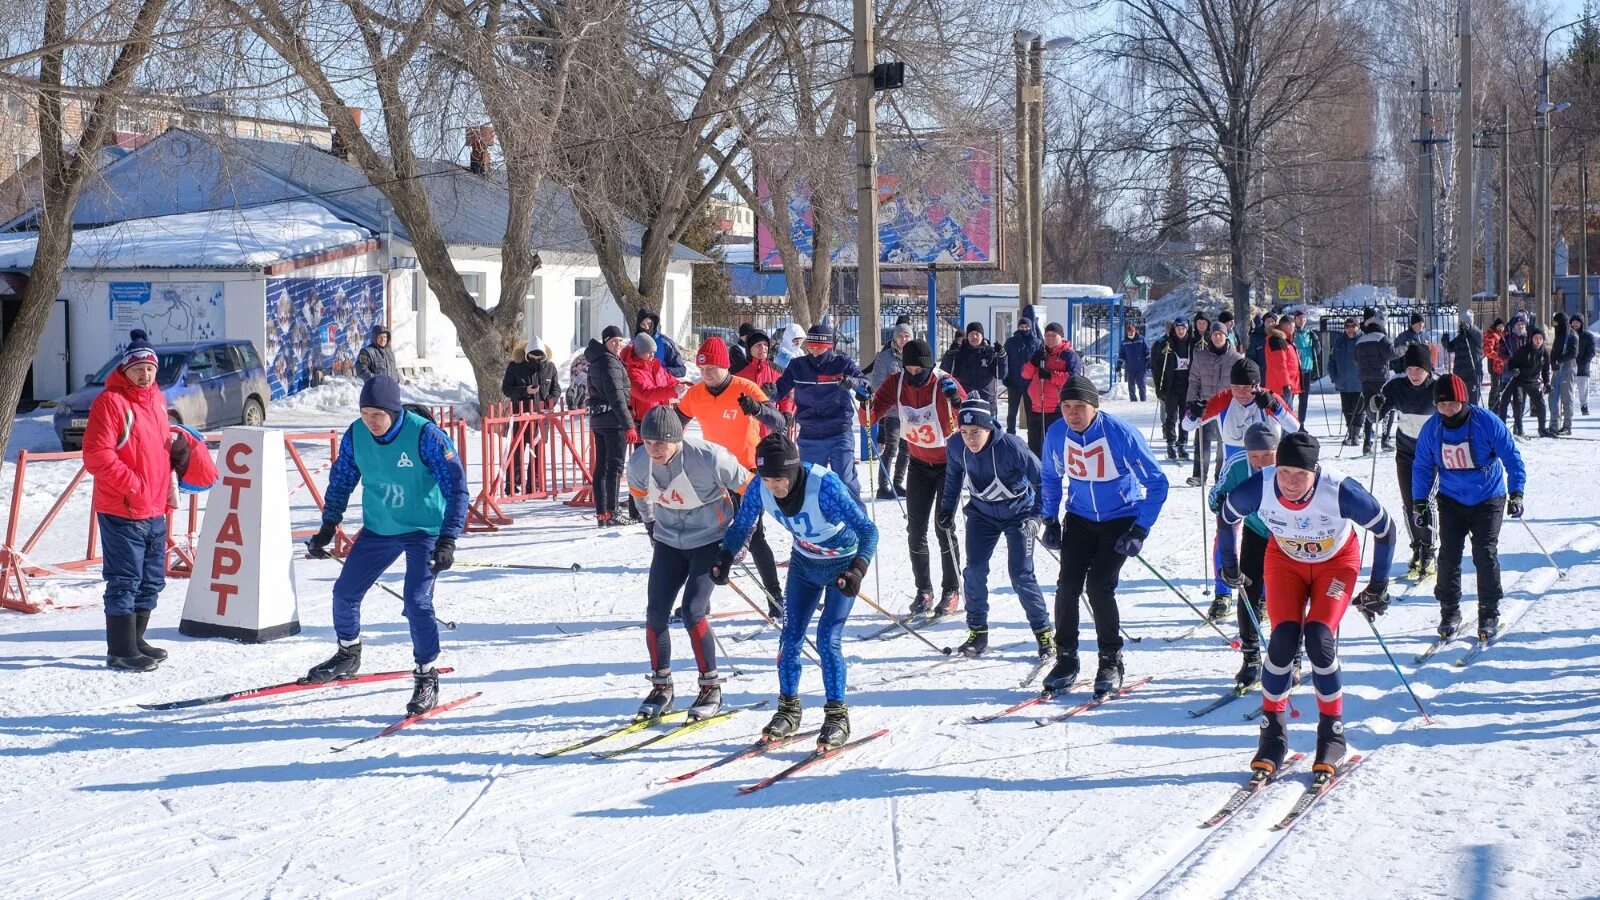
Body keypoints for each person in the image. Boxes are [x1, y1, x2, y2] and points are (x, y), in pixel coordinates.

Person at [1217, 431, 1397, 778]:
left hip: (1336, 564)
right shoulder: (1262, 485)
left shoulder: (1340, 490)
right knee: (1283, 640)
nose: (1291, 483)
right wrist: (1229, 563)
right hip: (1285, 562)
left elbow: (1385, 529)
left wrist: (1378, 585)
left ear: (1316, 471)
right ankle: (1272, 735)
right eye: (1284, 473)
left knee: (1318, 637)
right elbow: (1227, 517)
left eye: (1301, 475)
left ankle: (1332, 733)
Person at [304, 375, 470, 715]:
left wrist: (448, 538)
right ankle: (348, 653)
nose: (370, 421)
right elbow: (342, 479)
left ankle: (426, 674)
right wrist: (328, 524)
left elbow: (457, 488)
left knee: (416, 601)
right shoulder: (356, 434)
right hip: (380, 527)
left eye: (377, 414)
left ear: (393, 411)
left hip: (424, 529)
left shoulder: (425, 436)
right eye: (364, 413)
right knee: (345, 592)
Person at [711, 433, 878, 750]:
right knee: (790, 637)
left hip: (842, 565)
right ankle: (788, 710)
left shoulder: (823, 485)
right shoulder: (760, 487)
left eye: (779, 479)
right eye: (767, 479)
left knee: (828, 638)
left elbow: (868, 530)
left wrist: (858, 568)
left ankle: (837, 716)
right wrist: (724, 557)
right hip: (804, 565)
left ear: (794, 471)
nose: (774, 486)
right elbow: (743, 524)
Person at [1039, 376, 1170, 697]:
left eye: (1079, 407)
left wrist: (1140, 529)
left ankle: (1111, 659)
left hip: (1120, 519)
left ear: (1094, 406)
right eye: (1066, 407)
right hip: (1080, 519)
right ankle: (1066, 658)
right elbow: (1050, 477)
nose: (1072, 413)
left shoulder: (1119, 434)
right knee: (1067, 585)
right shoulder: (1057, 434)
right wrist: (1050, 519)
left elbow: (1157, 483)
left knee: (1099, 585)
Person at [626, 407, 753, 721]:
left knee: (693, 609)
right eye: (648, 442)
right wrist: (651, 526)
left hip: (710, 539)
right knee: (655, 612)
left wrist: (741, 538)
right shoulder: (640, 462)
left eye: (660, 443)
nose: (653, 449)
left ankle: (710, 687)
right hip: (670, 541)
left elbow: (751, 490)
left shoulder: (709, 458)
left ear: (677, 439)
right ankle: (661, 687)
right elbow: (639, 495)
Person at [84, 330, 179, 672]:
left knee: (152, 580)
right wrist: (134, 485)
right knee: (125, 580)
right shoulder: (111, 402)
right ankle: (120, 651)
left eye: (150, 367)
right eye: (138, 367)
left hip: (155, 508)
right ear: (125, 370)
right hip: (122, 508)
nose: (145, 374)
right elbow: (96, 454)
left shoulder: (156, 400)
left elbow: (160, 448)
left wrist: (177, 464)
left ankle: (136, 641)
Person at [675, 337, 789, 615]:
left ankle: (775, 599)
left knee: (755, 536)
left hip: (746, 474)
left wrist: (757, 409)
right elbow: (675, 422)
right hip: (712, 475)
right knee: (705, 537)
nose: (707, 375)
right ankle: (700, 600)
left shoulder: (744, 387)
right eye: (702, 370)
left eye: (712, 369)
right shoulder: (696, 394)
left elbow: (779, 422)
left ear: (725, 366)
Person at [936, 398, 1055, 658]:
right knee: (974, 570)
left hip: (1019, 515)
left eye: (976, 432)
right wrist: (946, 509)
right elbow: (954, 476)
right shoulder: (956, 445)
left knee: (1020, 573)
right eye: (965, 432)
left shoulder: (1011, 446)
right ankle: (977, 631)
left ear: (989, 428)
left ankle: (1043, 632)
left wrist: (1038, 516)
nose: (970, 439)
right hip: (982, 515)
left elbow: (1044, 481)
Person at [1412, 373, 1525, 643]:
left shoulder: (1486, 422)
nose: (1447, 409)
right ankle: (1449, 610)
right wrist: (1419, 501)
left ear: (1463, 400)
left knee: (1484, 554)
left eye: (1452, 403)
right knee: (1449, 556)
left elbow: (1512, 457)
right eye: (1441, 405)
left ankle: (1489, 610)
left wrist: (1517, 492)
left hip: (1488, 497)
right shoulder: (1432, 429)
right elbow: (1422, 466)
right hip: (1451, 499)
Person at [1184, 357, 1302, 606]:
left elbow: (1296, 426)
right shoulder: (1225, 398)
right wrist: (1193, 412)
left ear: (1256, 385)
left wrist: (1275, 407)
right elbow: (1188, 425)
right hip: (1234, 474)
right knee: (1226, 531)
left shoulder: (1267, 398)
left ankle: (1265, 595)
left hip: (1269, 475)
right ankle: (1223, 592)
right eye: (1236, 387)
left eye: (1246, 388)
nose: (1240, 393)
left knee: (1269, 535)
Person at [870, 339, 966, 617]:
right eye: (908, 368)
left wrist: (956, 402)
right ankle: (924, 590)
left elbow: (970, 418)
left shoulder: (944, 382)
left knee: (943, 527)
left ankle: (952, 589)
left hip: (949, 465)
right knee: (916, 530)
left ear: (929, 366)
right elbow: (871, 415)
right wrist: (864, 402)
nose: (912, 374)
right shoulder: (896, 382)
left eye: (918, 369)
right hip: (919, 464)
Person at [1208, 422, 1281, 689]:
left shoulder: (1289, 462)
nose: (1262, 462)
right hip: (1256, 532)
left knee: (1285, 597)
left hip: (1288, 538)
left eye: (1268, 454)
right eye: (1255, 456)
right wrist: (1220, 501)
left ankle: (1291, 658)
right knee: (1247, 591)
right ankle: (1251, 658)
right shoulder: (1238, 462)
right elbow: (1216, 493)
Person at [772, 323, 869, 501]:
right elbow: (778, 392)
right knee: (810, 485)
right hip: (810, 435)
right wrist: (769, 391)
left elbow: (867, 389)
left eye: (820, 349)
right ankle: (819, 526)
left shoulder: (842, 363)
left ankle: (859, 524)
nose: (815, 353)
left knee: (845, 481)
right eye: (811, 347)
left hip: (839, 432)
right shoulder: (797, 366)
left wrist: (853, 383)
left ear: (829, 347)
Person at [1371, 343, 1439, 579]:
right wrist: (1375, 404)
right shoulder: (1396, 387)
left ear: (1428, 369)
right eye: (1410, 369)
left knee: (1424, 502)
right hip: (1406, 452)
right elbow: (1375, 414)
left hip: (1431, 456)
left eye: (1419, 369)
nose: (1414, 374)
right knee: (1409, 502)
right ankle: (1417, 548)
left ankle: (1430, 550)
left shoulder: (1438, 388)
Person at [585, 325, 635, 526]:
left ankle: (602, 514)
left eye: (620, 341)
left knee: (603, 466)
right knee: (614, 467)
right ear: (605, 342)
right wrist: (628, 424)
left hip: (600, 420)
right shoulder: (610, 363)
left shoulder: (597, 361)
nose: (618, 345)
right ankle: (613, 512)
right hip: (614, 422)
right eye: (614, 341)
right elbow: (618, 398)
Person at [1184, 324, 1244, 486]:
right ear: (1211, 336)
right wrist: (1191, 401)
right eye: (1215, 334)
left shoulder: (1236, 358)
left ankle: (1220, 474)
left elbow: (1241, 384)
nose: (1218, 337)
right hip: (1206, 406)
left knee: (1223, 443)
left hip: (1227, 407)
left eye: (1221, 334)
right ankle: (1199, 475)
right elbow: (1194, 380)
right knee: (1202, 442)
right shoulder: (1200, 356)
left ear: (1226, 336)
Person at [501, 337, 562, 494]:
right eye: (533, 356)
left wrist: (551, 400)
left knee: (538, 452)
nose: (536, 359)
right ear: (526, 355)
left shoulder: (550, 367)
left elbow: (556, 388)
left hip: (541, 418)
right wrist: (524, 390)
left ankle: (534, 485)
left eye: (539, 356)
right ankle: (513, 485)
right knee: (517, 451)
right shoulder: (515, 367)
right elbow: (506, 389)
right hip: (520, 416)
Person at [866, 322, 913, 499]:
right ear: (894, 338)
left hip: (911, 412)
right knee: (891, 448)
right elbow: (878, 383)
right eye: (900, 336)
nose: (903, 339)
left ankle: (898, 483)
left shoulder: (915, 356)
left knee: (906, 449)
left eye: (907, 336)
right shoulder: (885, 358)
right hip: (893, 411)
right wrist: (896, 396)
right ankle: (883, 486)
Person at [1022, 322, 1081, 459]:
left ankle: (1054, 471)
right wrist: (1033, 363)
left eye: (1053, 335)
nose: (1049, 338)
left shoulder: (1069, 356)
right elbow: (1025, 374)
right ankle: (1036, 472)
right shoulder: (1040, 353)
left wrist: (1051, 375)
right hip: (1036, 406)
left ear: (1061, 336)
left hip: (1055, 408)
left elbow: (1074, 378)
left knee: (1054, 443)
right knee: (1034, 444)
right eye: (1047, 335)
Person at [1151, 319, 1195, 460]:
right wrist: (1159, 387)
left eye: (1183, 328)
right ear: (1174, 329)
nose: (1181, 331)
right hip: (1171, 385)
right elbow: (1156, 367)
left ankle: (1182, 444)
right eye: (1178, 328)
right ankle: (1170, 444)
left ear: (1187, 329)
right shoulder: (1166, 343)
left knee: (1185, 416)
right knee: (1171, 416)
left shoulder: (1191, 343)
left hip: (1187, 385)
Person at [1352, 311, 1396, 453]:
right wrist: (1405, 349)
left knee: (1369, 408)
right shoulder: (1382, 338)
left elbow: (1355, 358)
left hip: (1365, 378)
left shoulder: (1360, 339)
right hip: (1381, 377)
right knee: (1387, 407)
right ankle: (1385, 439)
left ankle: (1367, 443)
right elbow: (1391, 353)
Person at [941, 321, 1007, 414]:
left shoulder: (990, 352)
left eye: (977, 334)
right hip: (963, 399)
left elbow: (1001, 374)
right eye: (971, 334)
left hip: (986, 401)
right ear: (967, 336)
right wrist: (949, 355)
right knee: (964, 428)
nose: (974, 337)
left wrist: (1002, 356)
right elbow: (945, 372)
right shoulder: (959, 352)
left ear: (982, 336)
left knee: (987, 428)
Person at [1499, 327, 1552, 437]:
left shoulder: (1544, 352)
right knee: (1519, 403)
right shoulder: (1523, 350)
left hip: (1533, 381)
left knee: (1541, 404)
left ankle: (1542, 429)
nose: (1538, 341)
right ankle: (1519, 428)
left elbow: (1546, 370)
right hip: (1519, 380)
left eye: (1540, 338)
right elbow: (1511, 364)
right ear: (1531, 339)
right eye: (1536, 338)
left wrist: (1547, 383)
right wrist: (1514, 370)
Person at [1327, 316, 1364, 445]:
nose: (1350, 330)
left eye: (1352, 327)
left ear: (1357, 327)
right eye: (1347, 327)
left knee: (1359, 411)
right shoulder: (1339, 341)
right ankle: (1350, 433)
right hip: (1343, 383)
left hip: (1359, 383)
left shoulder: (1363, 340)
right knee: (1347, 410)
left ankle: (1356, 435)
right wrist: (1334, 378)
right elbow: (1331, 362)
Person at [1002, 316, 1041, 435]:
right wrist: (1006, 377)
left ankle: (1032, 436)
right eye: (1021, 326)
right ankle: (1010, 434)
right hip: (1014, 382)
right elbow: (1005, 360)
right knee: (1012, 411)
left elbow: (1039, 363)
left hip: (1030, 384)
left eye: (1026, 326)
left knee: (1031, 411)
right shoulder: (1011, 342)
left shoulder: (1036, 342)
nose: (1024, 329)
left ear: (1030, 327)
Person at [1494, 316, 1530, 426]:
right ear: (1514, 326)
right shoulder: (1507, 338)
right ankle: (1502, 424)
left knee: (1520, 401)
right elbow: (1500, 353)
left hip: (1522, 374)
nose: (1520, 326)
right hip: (1508, 374)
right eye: (1518, 324)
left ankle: (1518, 426)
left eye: (1522, 324)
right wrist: (1510, 361)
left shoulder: (1527, 339)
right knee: (1505, 400)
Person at [1447, 310, 1484, 407]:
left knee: (1472, 401)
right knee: (1461, 399)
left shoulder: (1476, 334)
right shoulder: (1460, 337)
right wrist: (1445, 341)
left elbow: (1480, 339)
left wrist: (1470, 328)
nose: (1462, 325)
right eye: (1461, 323)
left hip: (1473, 373)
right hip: (1460, 373)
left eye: (1465, 323)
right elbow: (1450, 348)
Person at [634, 308, 686, 378]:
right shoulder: (633, 343)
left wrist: (661, 371)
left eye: (649, 324)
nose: (646, 328)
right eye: (643, 324)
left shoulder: (665, 343)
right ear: (638, 325)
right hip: (641, 384)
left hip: (662, 385)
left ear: (654, 323)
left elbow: (681, 370)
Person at [1264, 317, 1302, 410]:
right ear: (1288, 326)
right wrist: (1285, 384)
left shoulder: (1285, 339)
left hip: (1285, 384)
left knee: (1286, 415)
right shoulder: (1277, 340)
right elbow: (1280, 365)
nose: (1294, 329)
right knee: (1284, 416)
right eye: (1293, 327)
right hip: (1280, 386)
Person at [1549, 315, 1578, 435]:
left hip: (1567, 367)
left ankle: (1567, 425)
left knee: (1566, 396)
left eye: (1556, 322)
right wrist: (1553, 362)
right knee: (1553, 395)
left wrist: (1561, 359)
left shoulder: (1571, 335)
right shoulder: (1558, 332)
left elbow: (1573, 353)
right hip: (1556, 368)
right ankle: (1554, 423)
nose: (1554, 325)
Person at [1291, 310, 1321, 423]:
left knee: (1304, 399)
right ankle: (1291, 422)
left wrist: (1316, 340)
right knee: (1291, 398)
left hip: (1307, 369)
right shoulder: (1292, 333)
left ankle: (1301, 422)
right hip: (1294, 371)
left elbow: (1318, 352)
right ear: (1295, 319)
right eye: (1299, 318)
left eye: (1303, 318)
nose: (1302, 320)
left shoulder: (1309, 334)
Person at [1117, 323, 1151, 402]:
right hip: (1130, 367)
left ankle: (1143, 400)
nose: (1130, 334)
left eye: (1132, 332)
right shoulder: (1124, 343)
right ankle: (1133, 401)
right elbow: (1121, 355)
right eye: (1129, 333)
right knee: (1131, 386)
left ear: (1135, 332)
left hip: (1141, 367)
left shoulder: (1141, 339)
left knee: (1141, 384)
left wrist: (1149, 362)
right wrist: (1119, 365)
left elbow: (1147, 351)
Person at [1483, 318, 1508, 412]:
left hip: (1503, 366)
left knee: (1500, 388)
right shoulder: (1492, 335)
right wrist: (1499, 356)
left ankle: (1498, 408)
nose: (1501, 328)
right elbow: (1488, 351)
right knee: (1495, 388)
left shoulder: (1503, 335)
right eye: (1499, 326)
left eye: (1502, 326)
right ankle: (1493, 408)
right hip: (1495, 366)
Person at [1574, 314, 1594, 416]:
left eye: (1577, 322)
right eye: (1573, 322)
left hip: (1583, 366)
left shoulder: (1588, 335)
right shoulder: (1568, 335)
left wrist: (1584, 361)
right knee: (1569, 389)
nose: (1575, 324)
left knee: (1583, 388)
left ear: (1581, 323)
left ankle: (1584, 406)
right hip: (1571, 366)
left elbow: (1591, 351)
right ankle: (1567, 407)